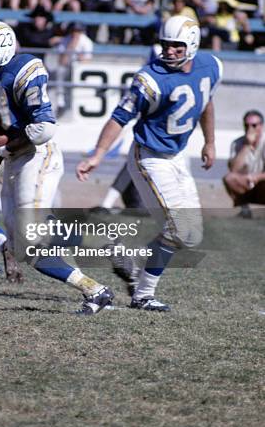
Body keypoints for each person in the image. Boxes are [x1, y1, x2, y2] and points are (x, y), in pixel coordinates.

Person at [0, 20, 114, 315]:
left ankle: (98, 274)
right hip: (9, 156)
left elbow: (44, 128)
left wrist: (2, 150)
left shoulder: (24, 69)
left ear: (4, 49)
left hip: (35, 154)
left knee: (30, 240)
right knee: (25, 247)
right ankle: (95, 283)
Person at [77, 15, 223, 311]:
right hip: (150, 157)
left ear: (192, 45)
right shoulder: (149, 78)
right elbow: (120, 118)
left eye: (176, 47)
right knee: (178, 229)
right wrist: (97, 155)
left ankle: (128, 262)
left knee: (191, 235)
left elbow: (206, 102)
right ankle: (143, 294)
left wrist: (209, 141)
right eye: (165, 45)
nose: (169, 51)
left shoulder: (211, 66)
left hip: (179, 156)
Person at [223, 110, 265, 218]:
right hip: (247, 185)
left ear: (261, 126)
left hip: (262, 184)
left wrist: (257, 177)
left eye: (254, 125)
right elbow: (234, 169)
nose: (250, 129)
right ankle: (244, 210)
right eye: (247, 125)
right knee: (229, 178)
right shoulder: (237, 143)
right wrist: (247, 146)